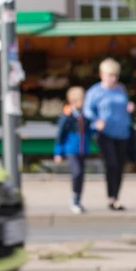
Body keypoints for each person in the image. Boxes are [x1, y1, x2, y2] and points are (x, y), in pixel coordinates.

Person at [83, 58, 135, 211]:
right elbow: (87, 110)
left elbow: (124, 104)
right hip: (105, 133)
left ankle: (115, 198)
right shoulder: (95, 91)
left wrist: (129, 107)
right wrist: (96, 120)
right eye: (109, 75)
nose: (113, 79)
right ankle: (110, 195)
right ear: (102, 75)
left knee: (120, 165)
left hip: (122, 132)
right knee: (111, 163)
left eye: (115, 76)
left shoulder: (120, 89)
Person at [53, 86, 92, 215]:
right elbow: (60, 135)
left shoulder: (84, 116)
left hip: (82, 149)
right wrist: (58, 152)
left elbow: (89, 131)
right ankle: (74, 199)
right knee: (77, 172)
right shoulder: (67, 117)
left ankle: (78, 199)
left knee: (81, 175)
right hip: (71, 149)